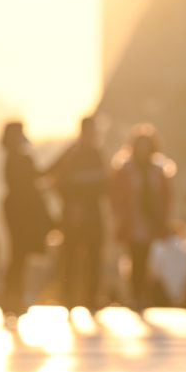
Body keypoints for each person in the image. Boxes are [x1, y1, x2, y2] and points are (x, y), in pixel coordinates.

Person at [110, 124, 174, 311]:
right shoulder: (125, 169)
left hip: (151, 223)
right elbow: (116, 196)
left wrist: (163, 218)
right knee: (134, 257)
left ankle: (144, 294)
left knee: (147, 258)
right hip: (132, 222)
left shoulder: (159, 170)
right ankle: (135, 294)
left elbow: (166, 197)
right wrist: (120, 216)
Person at [46, 116, 108, 311]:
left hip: (92, 212)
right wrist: (71, 203)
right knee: (71, 257)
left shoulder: (96, 154)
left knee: (93, 256)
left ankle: (90, 298)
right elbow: (53, 177)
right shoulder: (72, 154)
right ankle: (68, 298)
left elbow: (105, 184)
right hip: (74, 213)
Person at [0, 121, 53, 317]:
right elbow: (34, 179)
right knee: (18, 254)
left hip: (16, 209)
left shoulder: (13, 158)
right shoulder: (19, 158)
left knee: (18, 255)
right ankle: (13, 297)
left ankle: (13, 297)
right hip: (20, 210)